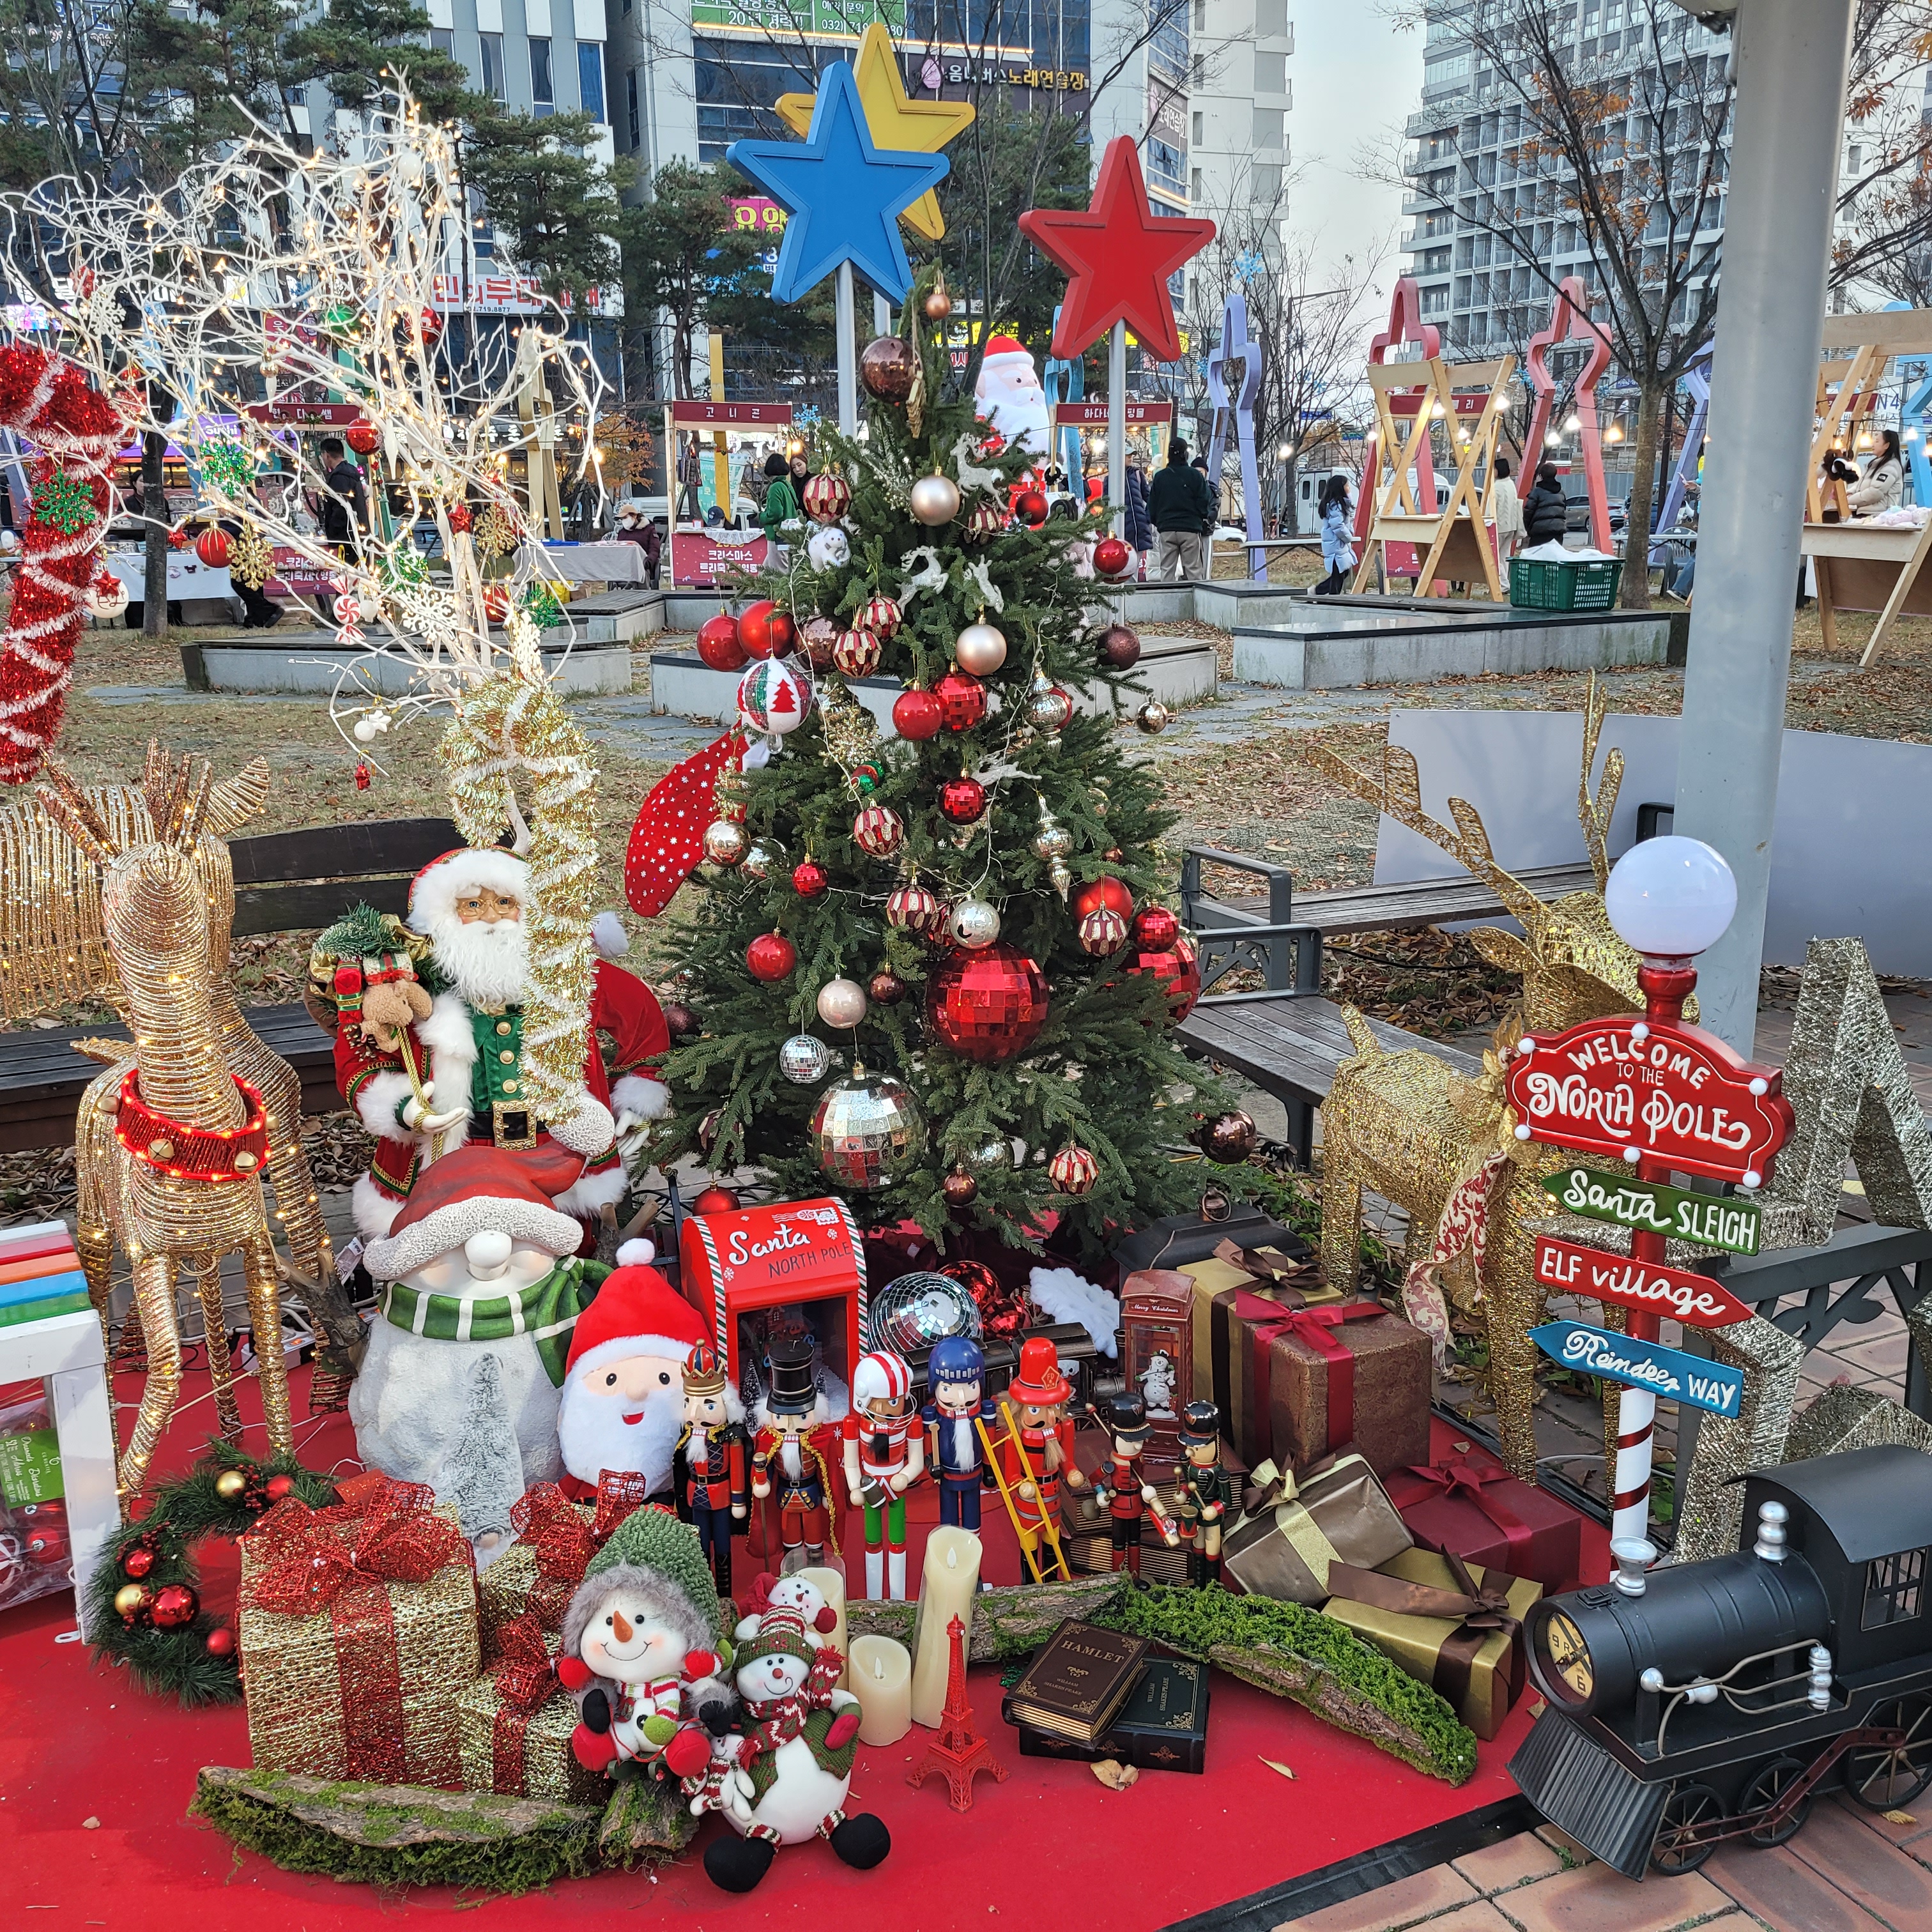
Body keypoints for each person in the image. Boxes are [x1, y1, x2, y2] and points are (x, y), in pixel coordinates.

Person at [1147, 438, 1214, 579]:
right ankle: (1195, 594)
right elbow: (1204, 501)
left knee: (1167, 570)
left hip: (1167, 529)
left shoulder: (1160, 477)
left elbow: (1152, 506)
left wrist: (1160, 523)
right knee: (1193, 570)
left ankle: (1168, 593)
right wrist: (1200, 518)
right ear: (1186, 454)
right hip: (1190, 528)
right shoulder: (1195, 476)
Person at [313, 436, 368, 558]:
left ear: (326, 455)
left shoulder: (339, 477)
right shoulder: (351, 471)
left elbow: (340, 508)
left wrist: (333, 532)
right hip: (357, 533)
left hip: (346, 537)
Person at [1848, 428, 1905, 516]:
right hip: (1868, 512)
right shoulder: (1875, 464)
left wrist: (1849, 500)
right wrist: (1849, 493)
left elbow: (1875, 493)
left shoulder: (1890, 466)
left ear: (1887, 445)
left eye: (1877, 441)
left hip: (1879, 515)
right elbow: (1860, 485)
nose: (1873, 444)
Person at [1315, 475, 1355, 595]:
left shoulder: (1336, 504)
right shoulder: (1337, 505)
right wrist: (1348, 537)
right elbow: (1337, 525)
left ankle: (1321, 592)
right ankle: (1326, 595)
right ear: (1340, 488)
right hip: (1336, 544)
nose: (1349, 488)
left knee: (1342, 572)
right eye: (1347, 485)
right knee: (1339, 573)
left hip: (1336, 544)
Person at [1522, 461, 1570, 546]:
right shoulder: (1561, 493)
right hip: (1558, 532)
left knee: (1537, 554)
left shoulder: (1537, 492)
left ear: (1541, 476)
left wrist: (1528, 528)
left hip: (1539, 532)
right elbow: (1563, 511)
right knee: (1554, 554)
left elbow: (1528, 512)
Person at [760, 452, 800, 551]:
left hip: (777, 537)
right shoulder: (787, 485)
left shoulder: (775, 487)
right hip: (790, 535)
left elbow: (776, 513)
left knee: (775, 561)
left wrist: (761, 517)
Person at [1490, 453, 1524, 558]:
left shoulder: (1496, 487)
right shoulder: (1511, 484)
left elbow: (1490, 509)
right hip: (1511, 527)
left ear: (1499, 470)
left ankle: (1499, 571)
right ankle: (1505, 571)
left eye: (1494, 469)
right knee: (1504, 557)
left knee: (1494, 557)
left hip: (1499, 527)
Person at [1124, 455, 1153, 555]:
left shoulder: (1137, 474)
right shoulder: (1110, 478)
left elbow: (1150, 498)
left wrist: (1147, 518)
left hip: (1139, 528)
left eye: (1131, 456)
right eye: (1127, 456)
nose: (1130, 458)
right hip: (1123, 528)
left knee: (1137, 561)